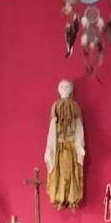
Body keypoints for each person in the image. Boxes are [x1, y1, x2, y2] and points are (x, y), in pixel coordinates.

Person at [44, 79, 85, 209]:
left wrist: (80, 147)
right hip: (59, 147)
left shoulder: (75, 106)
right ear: (58, 89)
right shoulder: (55, 106)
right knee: (60, 174)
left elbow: (79, 128)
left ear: (71, 90)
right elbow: (52, 129)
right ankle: (60, 199)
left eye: (67, 86)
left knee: (72, 172)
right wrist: (50, 149)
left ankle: (72, 199)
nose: (65, 88)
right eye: (62, 86)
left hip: (72, 147)